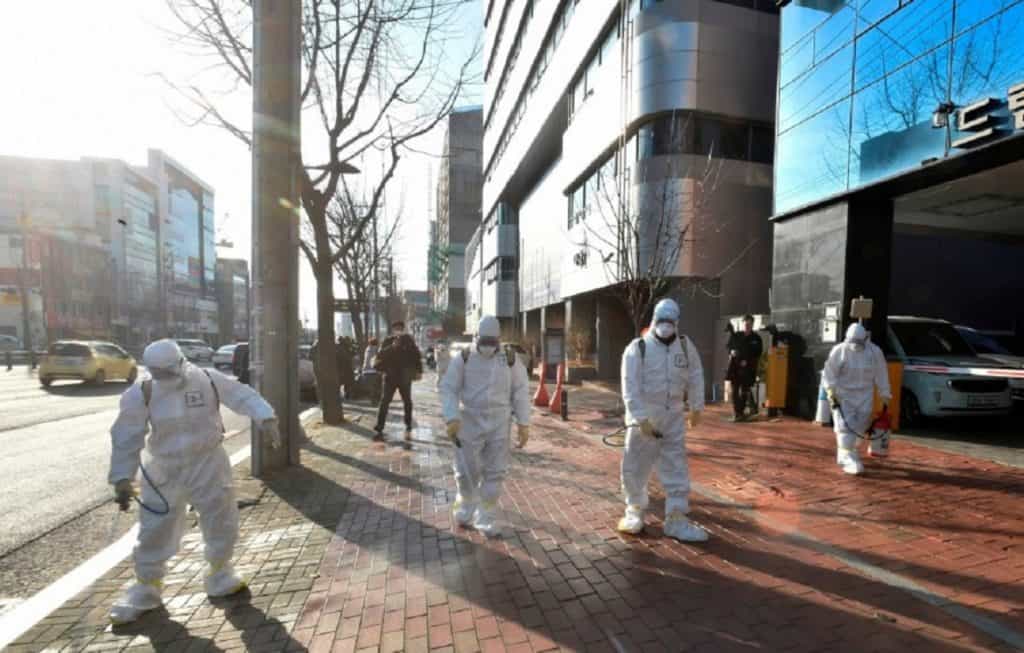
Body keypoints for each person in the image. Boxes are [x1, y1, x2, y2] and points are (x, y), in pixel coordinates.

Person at [107, 339, 280, 624]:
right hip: (164, 468)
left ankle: (220, 574)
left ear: (180, 363)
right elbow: (126, 435)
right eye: (157, 372)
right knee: (154, 528)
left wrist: (266, 418)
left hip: (208, 462)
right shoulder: (142, 392)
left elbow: (243, 396)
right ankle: (147, 588)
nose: (163, 377)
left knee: (221, 518)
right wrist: (122, 477)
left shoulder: (208, 380)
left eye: (167, 371)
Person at [618, 298, 708, 542]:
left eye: (670, 321)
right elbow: (630, 387)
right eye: (662, 320)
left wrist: (696, 407)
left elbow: (696, 375)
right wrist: (641, 419)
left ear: (677, 322)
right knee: (635, 465)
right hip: (644, 418)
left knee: (676, 466)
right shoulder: (638, 348)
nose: (666, 325)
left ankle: (676, 518)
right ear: (654, 319)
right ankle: (634, 510)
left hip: (673, 417)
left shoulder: (685, 346)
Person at [440, 315, 531, 537]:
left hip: (500, 421)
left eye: (492, 342)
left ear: (498, 339)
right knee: (466, 472)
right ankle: (464, 508)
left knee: (495, 472)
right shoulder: (464, 358)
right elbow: (449, 387)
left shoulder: (509, 359)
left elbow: (520, 390)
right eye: (484, 341)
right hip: (468, 419)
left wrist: (523, 422)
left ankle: (486, 519)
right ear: (476, 337)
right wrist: (452, 417)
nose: (488, 346)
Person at [823, 323, 891, 475]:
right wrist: (830, 392)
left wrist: (885, 394)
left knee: (861, 427)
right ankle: (846, 457)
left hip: (865, 396)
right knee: (844, 427)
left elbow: (881, 373)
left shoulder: (874, 352)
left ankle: (849, 451)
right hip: (844, 396)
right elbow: (829, 373)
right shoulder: (839, 351)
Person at [373, 321, 423, 443]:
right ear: (393, 329)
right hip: (390, 377)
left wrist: (419, 371)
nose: (398, 330)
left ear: (403, 329)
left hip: (404, 377)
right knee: (385, 401)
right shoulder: (388, 340)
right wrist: (392, 347)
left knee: (407, 401)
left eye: (400, 328)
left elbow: (416, 355)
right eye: (396, 328)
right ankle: (379, 426)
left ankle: (408, 423)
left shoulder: (408, 340)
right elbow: (380, 355)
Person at [726, 315, 763, 422]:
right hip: (735, 367)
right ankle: (737, 413)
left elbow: (758, 353)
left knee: (745, 391)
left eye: (749, 324)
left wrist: (748, 361)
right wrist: (731, 351)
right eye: (746, 324)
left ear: (752, 325)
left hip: (748, 368)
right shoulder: (737, 335)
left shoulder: (756, 338)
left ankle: (740, 412)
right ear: (743, 324)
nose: (747, 326)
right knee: (734, 390)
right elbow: (728, 347)